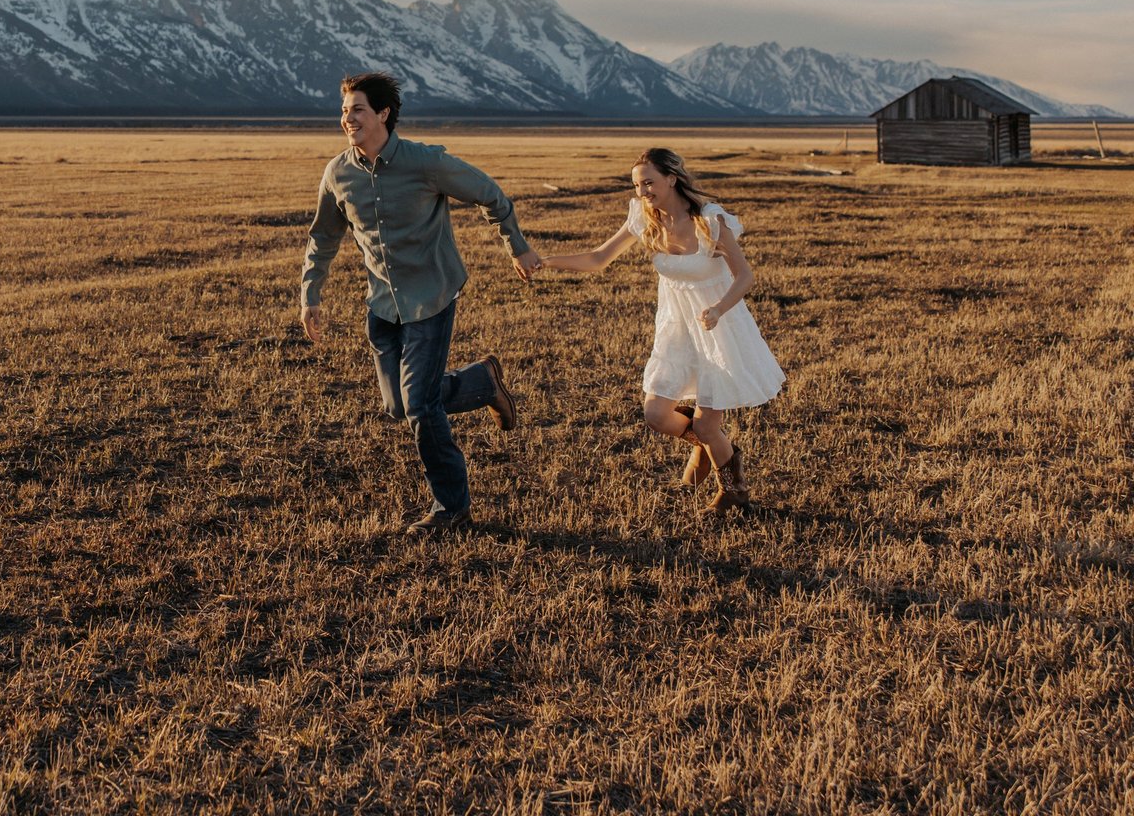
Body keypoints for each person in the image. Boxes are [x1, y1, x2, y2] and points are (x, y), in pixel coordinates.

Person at [300, 72, 543, 536]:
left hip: (431, 297)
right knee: (399, 405)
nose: (348, 118)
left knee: (421, 407)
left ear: (383, 113)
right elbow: (323, 237)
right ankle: (482, 382)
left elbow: (489, 193)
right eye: (344, 111)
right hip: (382, 304)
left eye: (357, 110)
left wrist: (517, 245)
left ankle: (451, 507)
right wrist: (311, 294)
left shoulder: (426, 163)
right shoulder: (338, 173)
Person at [536, 147, 784, 510]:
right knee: (656, 415)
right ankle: (707, 444)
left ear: (672, 178)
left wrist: (718, 309)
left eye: (649, 183)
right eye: (637, 185)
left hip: (718, 328)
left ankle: (734, 493)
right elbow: (599, 258)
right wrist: (546, 262)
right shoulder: (644, 218)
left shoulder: (710, 220)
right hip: (676, 329)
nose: (642, 192)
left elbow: (745, 276)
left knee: (708, 424)